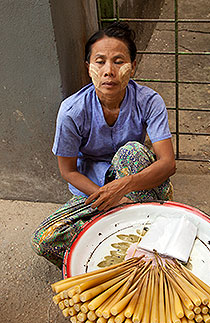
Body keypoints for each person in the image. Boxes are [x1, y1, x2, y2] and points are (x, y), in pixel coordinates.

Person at [31, 22, 176, 269]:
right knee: (44, 239)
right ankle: (119, 251)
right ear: (89, 68)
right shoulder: (72, 111)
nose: (109, 71)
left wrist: (122, 187)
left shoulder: (149, 101)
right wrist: (107, 198)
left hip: (134, 182)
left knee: (131, 152)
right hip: (93, 190)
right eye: (100, 62)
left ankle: (140, 228)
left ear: (133, 67)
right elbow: (68, 171)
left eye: (119, 61)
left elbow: (167, 163)